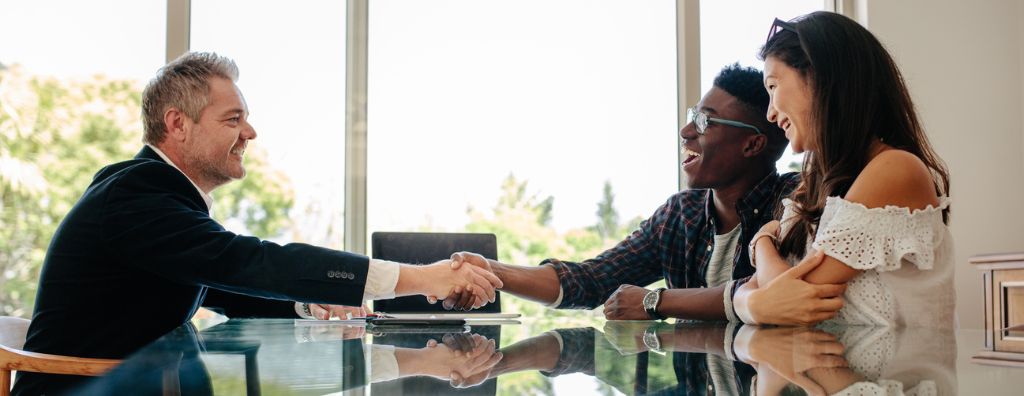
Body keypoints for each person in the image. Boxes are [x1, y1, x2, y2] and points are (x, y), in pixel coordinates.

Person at [14, 52, 501, 395]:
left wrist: (313, 304)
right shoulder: (135, 195)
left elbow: (222, 284)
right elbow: (243, 261)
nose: (250, 132)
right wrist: (423, 277)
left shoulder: (153, 194)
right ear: (177, 124)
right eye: (232, 119)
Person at [445, 64, 846, 324]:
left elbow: (766, 298)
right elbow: (591, 280)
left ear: (753, 145)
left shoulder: (797, 200)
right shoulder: (680, 214)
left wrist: (657, 301)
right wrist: (495, 272)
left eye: (704, 122)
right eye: (691, 117)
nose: (687, 132)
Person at [735, 11, 954, 327]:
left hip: (887, 376)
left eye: (773, 86)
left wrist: (762, 245)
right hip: (823, 370)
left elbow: (792, 304)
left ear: (821, 77)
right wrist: (753, 301)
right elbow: (765, 298)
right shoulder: (814, 188)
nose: (770, 113)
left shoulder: (896, 169)